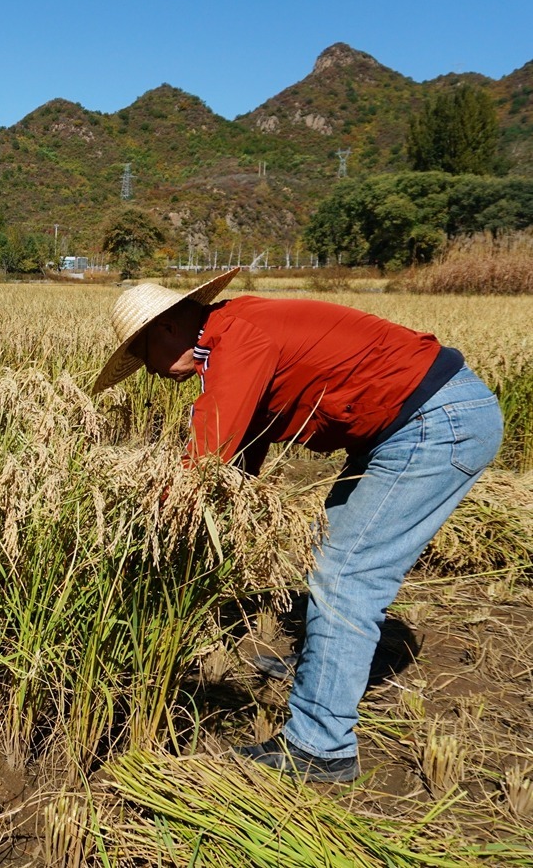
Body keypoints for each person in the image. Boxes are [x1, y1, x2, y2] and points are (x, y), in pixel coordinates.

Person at [92, 269, 504, 782]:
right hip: (418, 421)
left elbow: (205, 457)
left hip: (434, 423)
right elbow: (242, 450)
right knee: (331, 549)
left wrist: (138, 530)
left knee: (348, 575)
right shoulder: (234, 333)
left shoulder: (238, 338)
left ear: (166, 328)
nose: (149, 374)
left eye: (141, 356)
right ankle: (322, 674)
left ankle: (320, 748)